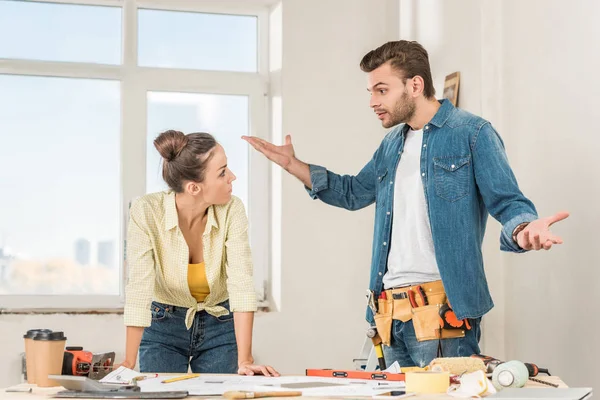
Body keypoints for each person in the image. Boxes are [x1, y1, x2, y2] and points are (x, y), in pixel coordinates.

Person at [243, 40, 569, 368]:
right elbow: (354, 192)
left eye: (381, 90)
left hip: (444, 314)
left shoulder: (472, 134)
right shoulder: (391, 145)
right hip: (389, 314)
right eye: (371, 92)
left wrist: (525, 228)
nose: (372, 101)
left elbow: (508, 201)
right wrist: (293, 165)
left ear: (415, 85)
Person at [120, 130, 278, 376]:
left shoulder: (232, 209)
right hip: (163, 325)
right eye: (223, 172)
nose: (232, 177)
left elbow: (241, 284)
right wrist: (128, 364)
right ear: (194, 187)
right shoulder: (146, 210)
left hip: (221, 325)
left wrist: (245, 360)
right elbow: (139, 286)